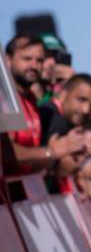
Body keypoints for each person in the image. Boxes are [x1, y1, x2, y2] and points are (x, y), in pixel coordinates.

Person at [4, 34, 85, 174]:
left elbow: (28, 165)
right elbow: (5, 152)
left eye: (39, 60)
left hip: (29, 191)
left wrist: (62, 155)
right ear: (8, 59)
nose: (34, 66)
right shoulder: (4, 96)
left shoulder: (30, 100)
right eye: (27, 59)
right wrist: (50, 151)